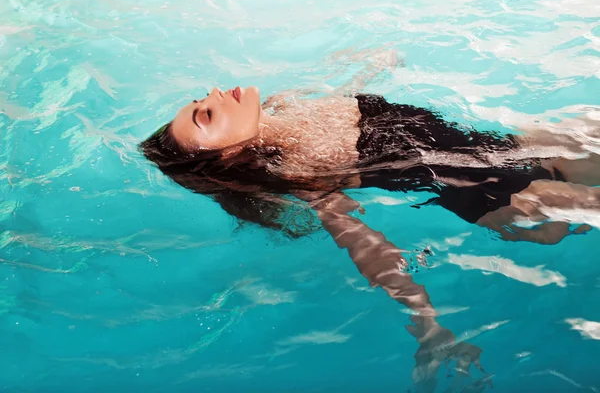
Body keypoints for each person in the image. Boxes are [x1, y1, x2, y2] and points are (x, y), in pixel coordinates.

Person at [139, 49, 599, 391]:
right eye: (206, 114)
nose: (216, 94)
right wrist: (428, 323)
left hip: (494, 146)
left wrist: (366, 68)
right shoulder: (299, 175)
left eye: (201, 99)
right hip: (488, 191)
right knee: (574, 209)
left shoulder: (281, 109)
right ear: (228, 153)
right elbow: (363, 244)